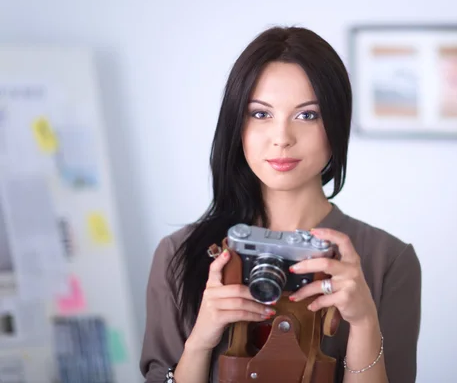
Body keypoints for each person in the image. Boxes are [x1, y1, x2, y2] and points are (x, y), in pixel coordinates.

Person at [139, 26, 422, 383]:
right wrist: (200, 341)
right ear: (236, 125)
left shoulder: (389, 261)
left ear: (336, 124)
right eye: (260, 114)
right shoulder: (178, 254)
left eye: (307, 115)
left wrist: (364, 323)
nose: (282, 138)